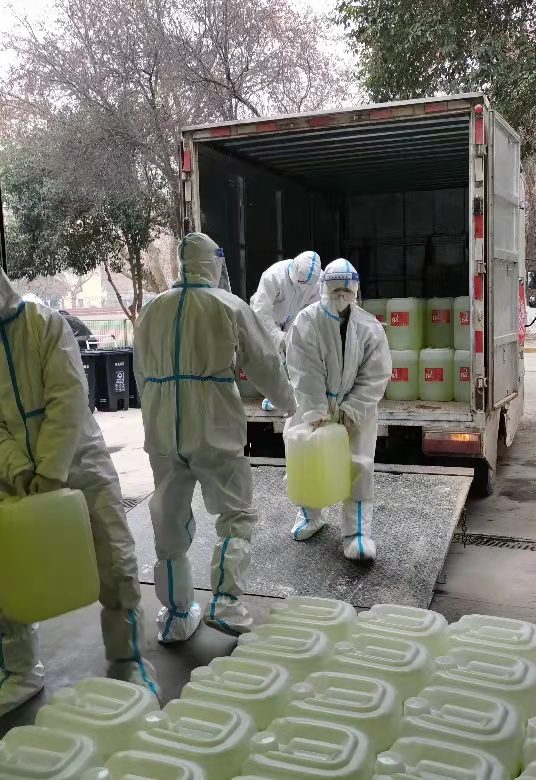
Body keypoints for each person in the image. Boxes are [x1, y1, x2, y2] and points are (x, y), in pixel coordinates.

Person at [0, 270, 157, 717]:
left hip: (80, 460)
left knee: (115, 557)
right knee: (6, 571)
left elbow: (68, 397)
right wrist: (18, 468)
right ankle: (19, 670)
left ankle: (128, 661)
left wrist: (49, 469)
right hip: (13, 472)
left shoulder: (42, 324)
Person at [134, 232, 295, 640]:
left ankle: (176, 615)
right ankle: (225, 603)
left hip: (162, 429)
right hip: (214, 425)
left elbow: (140, 373)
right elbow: (264, 362)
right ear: (213, 264)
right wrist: (290, 403)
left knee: (168, 519)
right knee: (235, 514)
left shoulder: (151, 310)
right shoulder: (228, 305)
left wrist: (155, 411)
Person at [285, 258, 391, 561]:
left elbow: (376, 373)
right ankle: (310, 516)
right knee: (307, 460)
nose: (341, 295)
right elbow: (303, 369)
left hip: (357, 410)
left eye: (347, 290)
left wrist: (353, 408)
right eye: (335, 290)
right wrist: (316, 409)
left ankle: (357, 533)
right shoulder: (307, 321)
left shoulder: (369, 327)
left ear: (355, 291)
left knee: (359, 465)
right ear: (323, 289)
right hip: (314, 406)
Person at [250, 251, 321, 411]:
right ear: (294, 271)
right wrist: (278, 337)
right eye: (300, 283)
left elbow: (315, 311)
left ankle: (295, 394)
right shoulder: (274, 276)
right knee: (272, 355)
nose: (302, 288)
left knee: (297, 355)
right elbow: (260, 313)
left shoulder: (317, 283)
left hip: (295, 318)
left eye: (307, 285)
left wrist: (299, 334)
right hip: (270, 319)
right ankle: (274, 396)